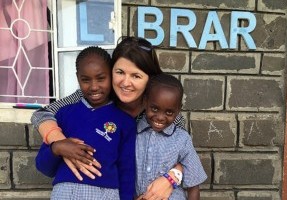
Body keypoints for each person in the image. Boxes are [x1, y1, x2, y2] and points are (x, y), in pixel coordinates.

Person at [31, 36, 185, 199]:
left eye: (136, 76)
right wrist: (59, 143)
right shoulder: (93, 97)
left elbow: (185, 154)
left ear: (150, 80)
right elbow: (41, 114)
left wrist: (172, 177)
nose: (126, 83)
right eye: (120, 72)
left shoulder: (164, 113)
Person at [35, 46, 136, 200]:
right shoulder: (63, 115)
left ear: (111, 75)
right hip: (64, 194)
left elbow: (126, 172)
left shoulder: (125, 122)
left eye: (101, 78)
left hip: (106, 195)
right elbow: (44, 167)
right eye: (86, 80)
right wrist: (57, 147)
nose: (94, 86)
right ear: (78, 78)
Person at [135, 73, 207, 200]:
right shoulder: (131, 133)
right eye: (155, 109)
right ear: (145, 102)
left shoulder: (182, 139)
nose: (160, 117)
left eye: (169, 112)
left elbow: (194, 185)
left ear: (178, 110)